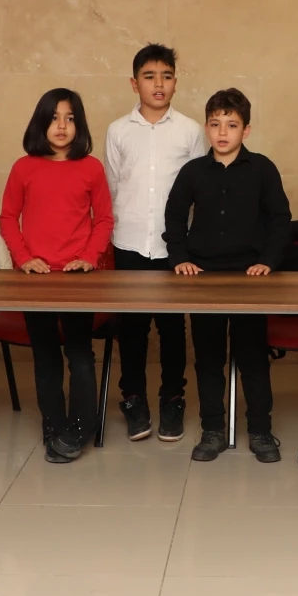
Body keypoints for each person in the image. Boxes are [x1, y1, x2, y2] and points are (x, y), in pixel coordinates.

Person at [163, 88, 291, 463]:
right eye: (216, 124)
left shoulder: (263, 169)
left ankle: (261, 431)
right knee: (208, 358)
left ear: (245, 131)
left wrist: (268, 261)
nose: (223, 132)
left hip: (251, 279)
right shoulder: (193, 172)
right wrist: (180, 258)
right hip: (204, 278)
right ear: (206, 127)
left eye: (231, 125)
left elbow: (280, 220)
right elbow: (174, 216)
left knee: (253, 357)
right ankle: (213, 430)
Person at [0, 88, 114, 463]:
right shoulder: (24, 168)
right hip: (36, 278)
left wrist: (88, 257)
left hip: (78, 278)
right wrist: (23, 258)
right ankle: (54, 425)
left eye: (70, 118)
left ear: (79, 125)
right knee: (45, 354)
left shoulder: (91, 168)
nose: (62, 126)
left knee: (79, 353)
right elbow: (8, 218)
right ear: (40, 123)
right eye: (53, 118)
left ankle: (81, 428)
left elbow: (104, 219)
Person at [105, 43, 206, 443]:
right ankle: (132, 398)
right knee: (131, 328)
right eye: (149, 76)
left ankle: (172, 398)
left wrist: (187, 243)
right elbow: (114, 186)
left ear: (176, 83)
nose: (158, 84)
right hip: (129, 242)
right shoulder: (118, 131)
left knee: (172, 328)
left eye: (166, 76)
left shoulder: (190, 131)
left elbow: (199, 191)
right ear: (135, 83)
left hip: (173, 249)